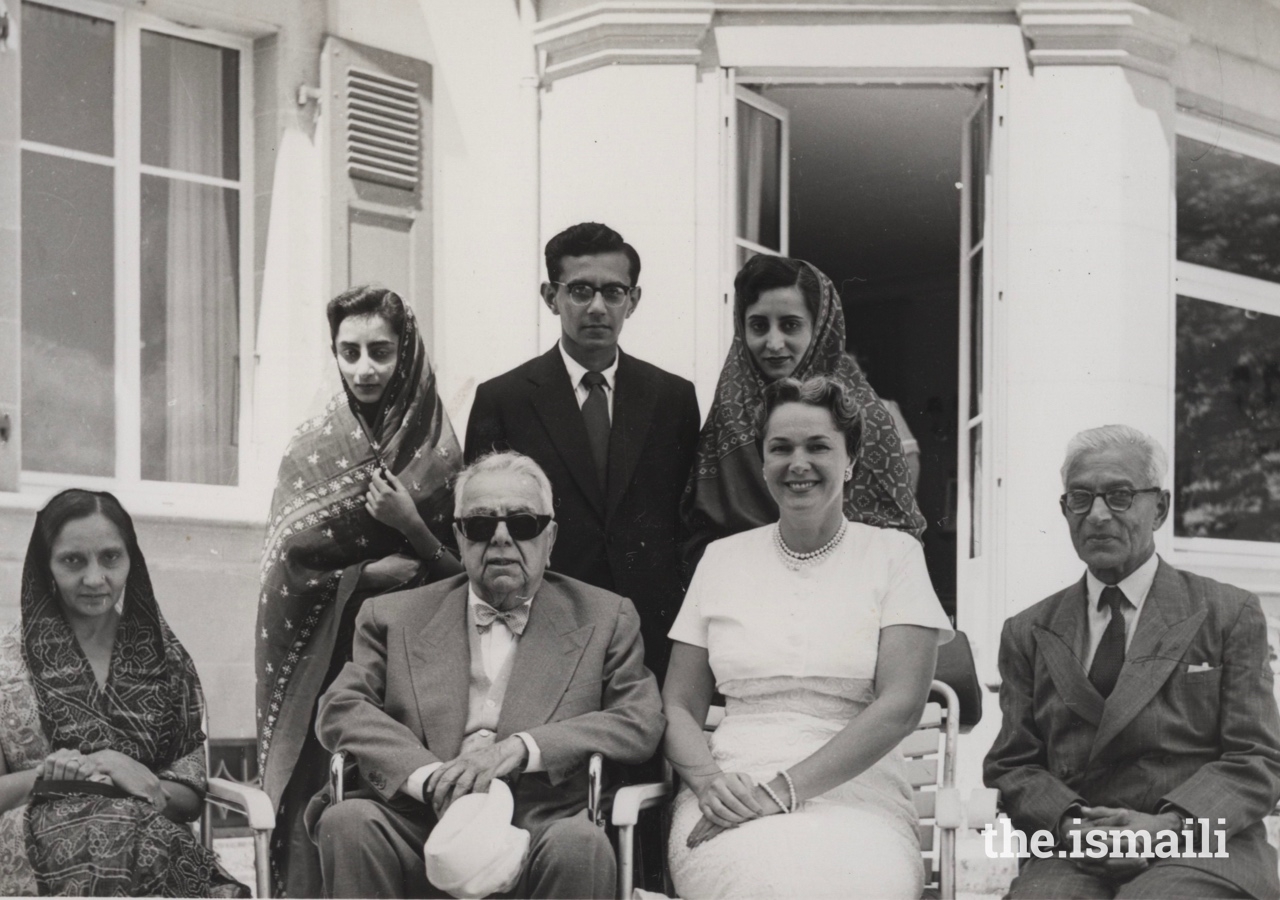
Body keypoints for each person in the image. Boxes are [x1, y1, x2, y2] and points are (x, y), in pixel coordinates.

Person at [312, 450, 664, 898]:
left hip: (537, 828)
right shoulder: (392, 614)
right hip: (418, 825)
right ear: (459, 538)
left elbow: (640, 718)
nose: (500, 538)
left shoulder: (605, 616)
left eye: (522, 524)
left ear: (550, 536)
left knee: (580, 844)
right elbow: (341, 708)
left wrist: (522, 748)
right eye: (479, 525)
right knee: (347, 822)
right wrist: (428, 778)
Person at [662, 375, 953, 899]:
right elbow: (679, 704)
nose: (799, 463)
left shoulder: (895, 556)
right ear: (763, 462)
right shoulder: (721, 560)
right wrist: (708, 784)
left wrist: (784, 791)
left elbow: (901, 706)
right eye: (781, 448)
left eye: (819, 446)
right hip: (733, 789)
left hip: (859, 793)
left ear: (850, 461)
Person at [984, 425, 1280, 900]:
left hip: (1201, 845)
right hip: (1077, 851)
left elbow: (1257, 758)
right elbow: (1013, 764)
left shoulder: (1227, 613)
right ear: (1065, 512)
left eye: (1120, 496)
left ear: (1159, 508)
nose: (1098, 515)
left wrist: (1167, 825)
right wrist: (1071, 823)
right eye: (1080, 498)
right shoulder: (1028, 631)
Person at [256, 285, 465, 896]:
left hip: (419, 672)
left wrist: (412, 527)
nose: (365, 369)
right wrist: (361, 579)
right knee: (325, 805)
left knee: (405, 813)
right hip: (330, 660)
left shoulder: (440, 450)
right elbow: (281, 572)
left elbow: (472, 574)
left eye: (380, 350)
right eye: (349, 352)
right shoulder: (311, 449)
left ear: (408, 352)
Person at [465, 222, 700, 683]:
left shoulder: (672, 397)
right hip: (544, 621)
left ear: (633, 300)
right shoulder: (504, 399)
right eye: (579, 291)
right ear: (550, 296)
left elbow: (684, 517)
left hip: (649, 627)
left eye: (613, 292)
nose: (597, 306)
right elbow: (482, 525)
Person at [0, 489, 247, 896]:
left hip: (148, 842)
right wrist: (63, 774)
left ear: (132, 560)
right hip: (35, 848)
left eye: (110, 557)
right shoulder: (7, 663)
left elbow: (188, 798)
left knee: (136, 841)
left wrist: (122, 771)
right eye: (72, 560)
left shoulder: (166, 662)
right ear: (46, 567)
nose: (95, 578)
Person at [682, 255, 925, 568]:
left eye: (790, 325)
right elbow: (696, 530)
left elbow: (898, 537)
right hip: (745, 587)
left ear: (820, 327)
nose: (773, 343)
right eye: (758, 325)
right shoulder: (729, 414)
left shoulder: (868, 418)